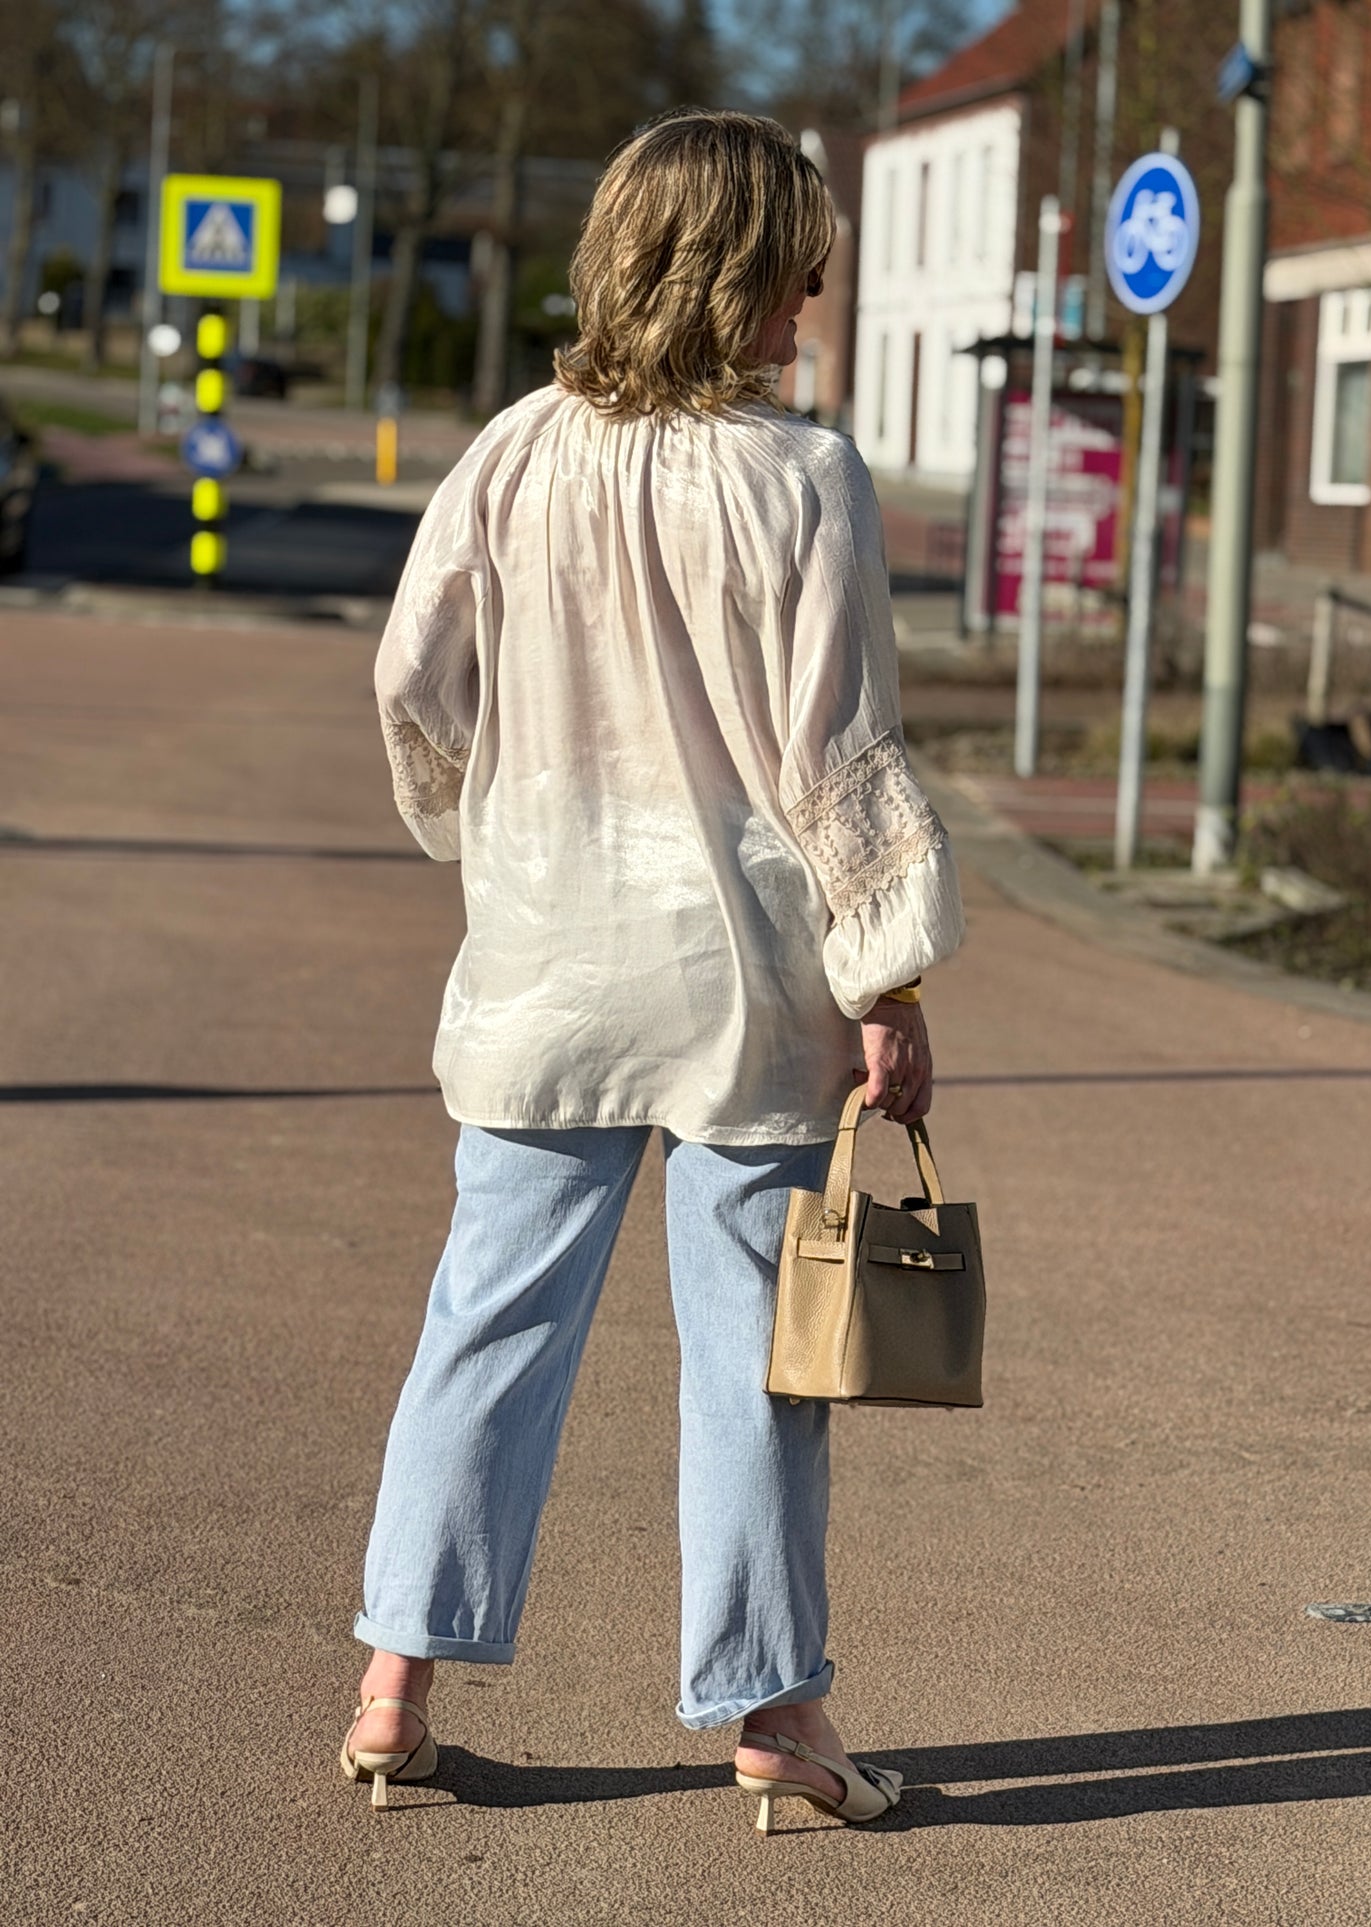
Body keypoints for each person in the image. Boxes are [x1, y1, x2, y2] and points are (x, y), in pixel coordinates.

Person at [340, 107, 964, 1829]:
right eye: (795, 272)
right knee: (757, 1356)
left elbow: (412, 683)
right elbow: (836, 747)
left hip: (544, 967)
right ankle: (775, 1712)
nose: (809, 304)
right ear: (731, 273)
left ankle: (395, 1683)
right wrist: (889, 982)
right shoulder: (804, 475)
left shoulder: (511, 451)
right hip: (744, 982)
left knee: (487, 1322)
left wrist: (487, 834)